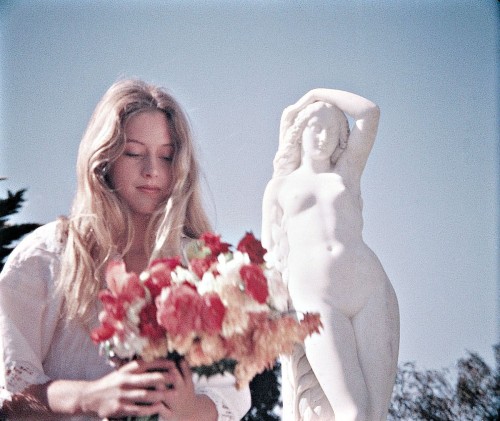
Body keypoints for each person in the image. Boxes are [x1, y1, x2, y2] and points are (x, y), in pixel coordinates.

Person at [0, 79, 251, 420]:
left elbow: (230, 398)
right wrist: (88, 396)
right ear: (104, 158)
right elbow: (10, 393)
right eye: (134, 152)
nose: (152, 171)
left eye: (166, 156)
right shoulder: (43, 258)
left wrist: (189, 409)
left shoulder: (204, 269)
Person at [262, 89, 400, 421]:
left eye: (332, 129)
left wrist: (316, 94)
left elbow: (370, 113)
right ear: (300, 132)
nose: (323, 137)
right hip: (315, 294)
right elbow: (269, 252)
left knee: (374, 414)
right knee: (350, 411)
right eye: (315, 127)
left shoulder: (346, 174)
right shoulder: (280, 187)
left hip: (368, 286)